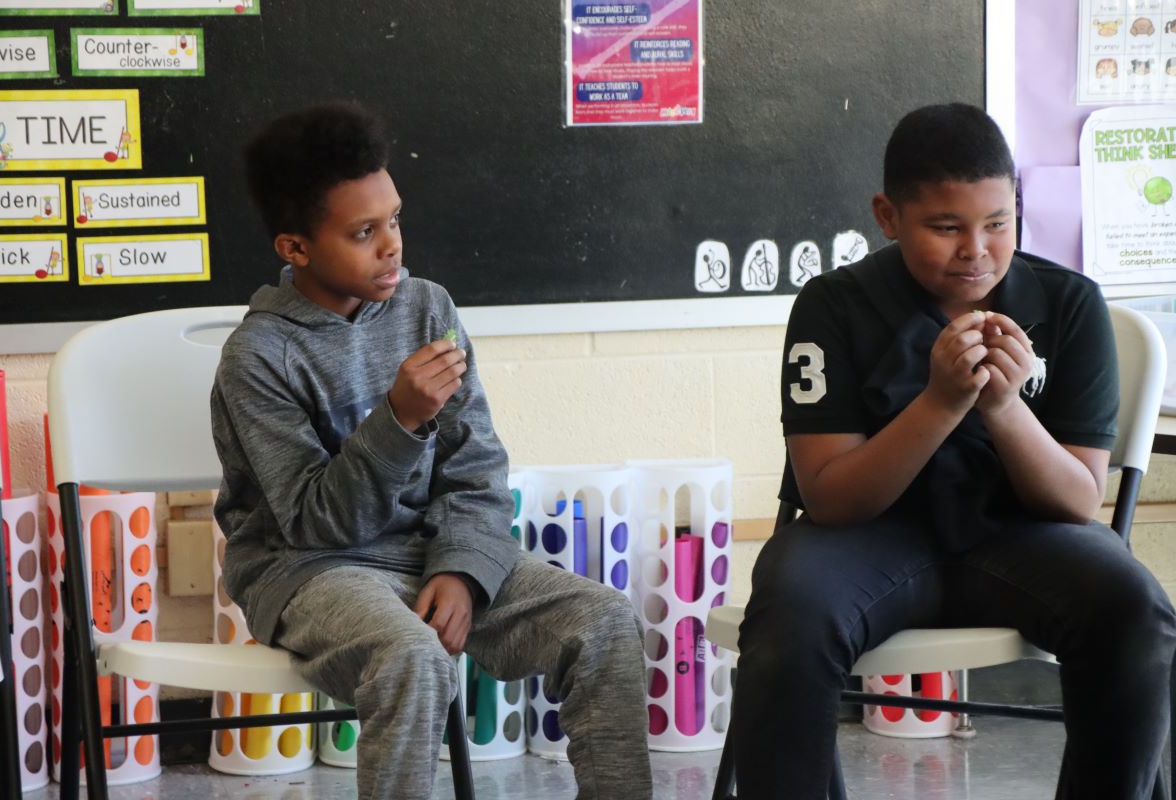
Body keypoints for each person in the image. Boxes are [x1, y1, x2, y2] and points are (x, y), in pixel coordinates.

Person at [731, 103, 1176, 798]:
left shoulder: (1068, 303)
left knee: (1133, 607)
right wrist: (939, 403)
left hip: (1021, 538)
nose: (977, 249)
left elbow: (1075, 499)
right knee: (791, 617)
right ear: (887, 216)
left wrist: (1003, 405)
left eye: (999, 223)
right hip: (867, 540)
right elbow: (832, 498)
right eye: (946, 227)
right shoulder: (834, 305)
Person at [210, 102, 651, 800]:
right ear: (295, 248)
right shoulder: (259, 356)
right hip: (311, 570)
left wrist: (465, 569)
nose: (392, 246)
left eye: (394, 220)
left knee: (602, 620)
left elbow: (476, 469)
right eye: (363, 232)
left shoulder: (428, 310)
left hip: (429, 554)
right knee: (411, 655)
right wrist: (399, 419)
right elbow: (314, 524)